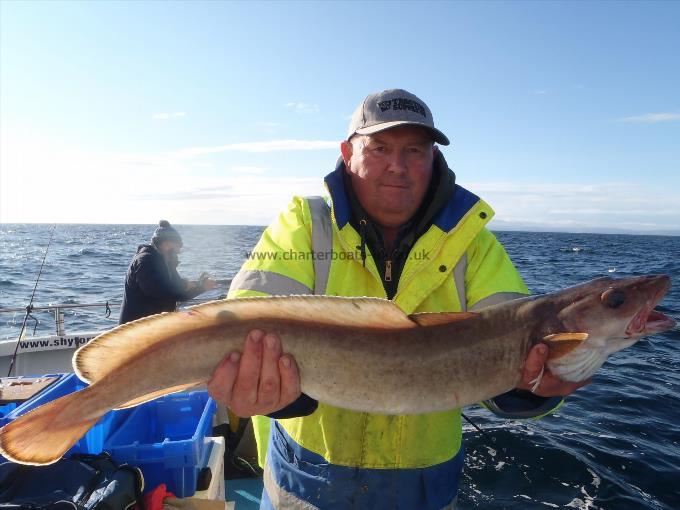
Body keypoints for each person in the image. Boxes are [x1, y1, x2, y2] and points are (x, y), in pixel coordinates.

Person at [207, 89, 588, 509]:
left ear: (433, 159)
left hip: (425, 489)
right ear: (347, 153)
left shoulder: (475, 246)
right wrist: (271, 389)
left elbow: (516, 348)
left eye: (414, 150)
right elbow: (245, 319)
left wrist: (536, 387)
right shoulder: (304, 223)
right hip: (306, 481)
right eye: (379, 147)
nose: (397, 166)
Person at [119, 220, 217, 324]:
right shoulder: (145, 260)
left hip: (155, 326)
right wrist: (183, 284)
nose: (178, 251)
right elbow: (158, 292)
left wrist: (202, 287)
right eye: (177, 247)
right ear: (165, 244)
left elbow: (179, 295)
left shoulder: (167, 263)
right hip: (134, 328)